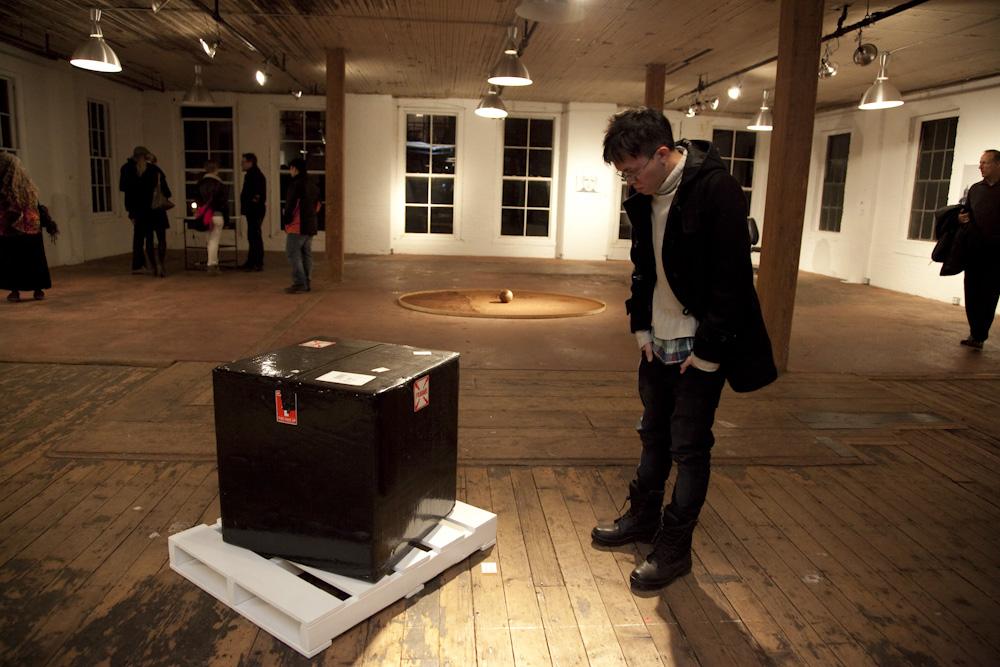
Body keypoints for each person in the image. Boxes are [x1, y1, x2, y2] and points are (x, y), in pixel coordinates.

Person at [592, 108, 777, 591]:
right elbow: (644, 269)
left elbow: (732, 281)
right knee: (652, 433)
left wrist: (709, 352)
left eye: (633, 171)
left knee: (689, 448)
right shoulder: (646, 197)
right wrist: (641, 328)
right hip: (657, 343)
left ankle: (675, 549)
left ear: (662, 153)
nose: (630, 182)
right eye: (623, 175)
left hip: (700, 348)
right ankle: (643, 519)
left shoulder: (716, 189)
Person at [957, 149, 1000, 350]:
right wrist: (961, 218)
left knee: (989, 295)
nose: (980, 166)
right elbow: (965, 212)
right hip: (974, 251)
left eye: (985, 162)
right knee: (972, 292)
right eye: (980, 162)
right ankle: (975, 333)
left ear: (997, 164)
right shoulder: (975, 189)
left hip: (996, 255)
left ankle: (980, 335)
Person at [0, 153, 58, 302]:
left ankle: (19, 290)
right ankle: (33, 290)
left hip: (19, 228)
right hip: (28, 227)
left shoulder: (13, 187)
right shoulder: (26, 186)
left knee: (16, 258)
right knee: (30, 257)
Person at [120, 146, 162, 275]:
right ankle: (145, 264)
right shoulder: (147, 169)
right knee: (147, 236)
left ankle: (140, 263)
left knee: (138, 236)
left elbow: (123, 187)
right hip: (146, 206)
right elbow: (152, 186)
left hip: (134, 206)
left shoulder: (126, 168)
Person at [281, 157, 319, 293]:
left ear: (294, 169)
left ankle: (299, 283)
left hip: (297, 225)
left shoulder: (296, 184)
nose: (290, 171)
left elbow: (291, 205)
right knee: (306, 253)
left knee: (292, 253)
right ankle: (306, 282)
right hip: (310, 224)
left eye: (290, 168)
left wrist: (286, 220)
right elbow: (318, 205)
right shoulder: (313, 184)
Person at [196, 160, 230, 275]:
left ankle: (213, 263)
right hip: (217, 214)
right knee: (214, 241)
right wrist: (227, 219)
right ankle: (212, 264)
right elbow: (224, 203)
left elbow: (196, 200)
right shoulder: (220, 184)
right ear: (216, 169)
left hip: (204, 214)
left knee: (209, 240)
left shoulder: (200, 183)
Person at [240, 152, 267, 271]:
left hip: (254, 210)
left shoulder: (254, 175)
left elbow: (257, 194)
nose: (242, 164)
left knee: (254, 235)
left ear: (250, 162)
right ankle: (253, 261)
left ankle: (256, 262)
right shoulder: (253, 175)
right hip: (254, 209)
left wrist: (251, 204)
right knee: (253, 235)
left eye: (243, 162)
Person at [147, 153, 172, 277]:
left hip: (145, 211)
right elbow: (167, 192)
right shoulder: (158, 172)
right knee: (161, 239)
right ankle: (161, 264)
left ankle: (153, 266)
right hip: (158, 210)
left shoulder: (139, 173)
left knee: (149, 239)